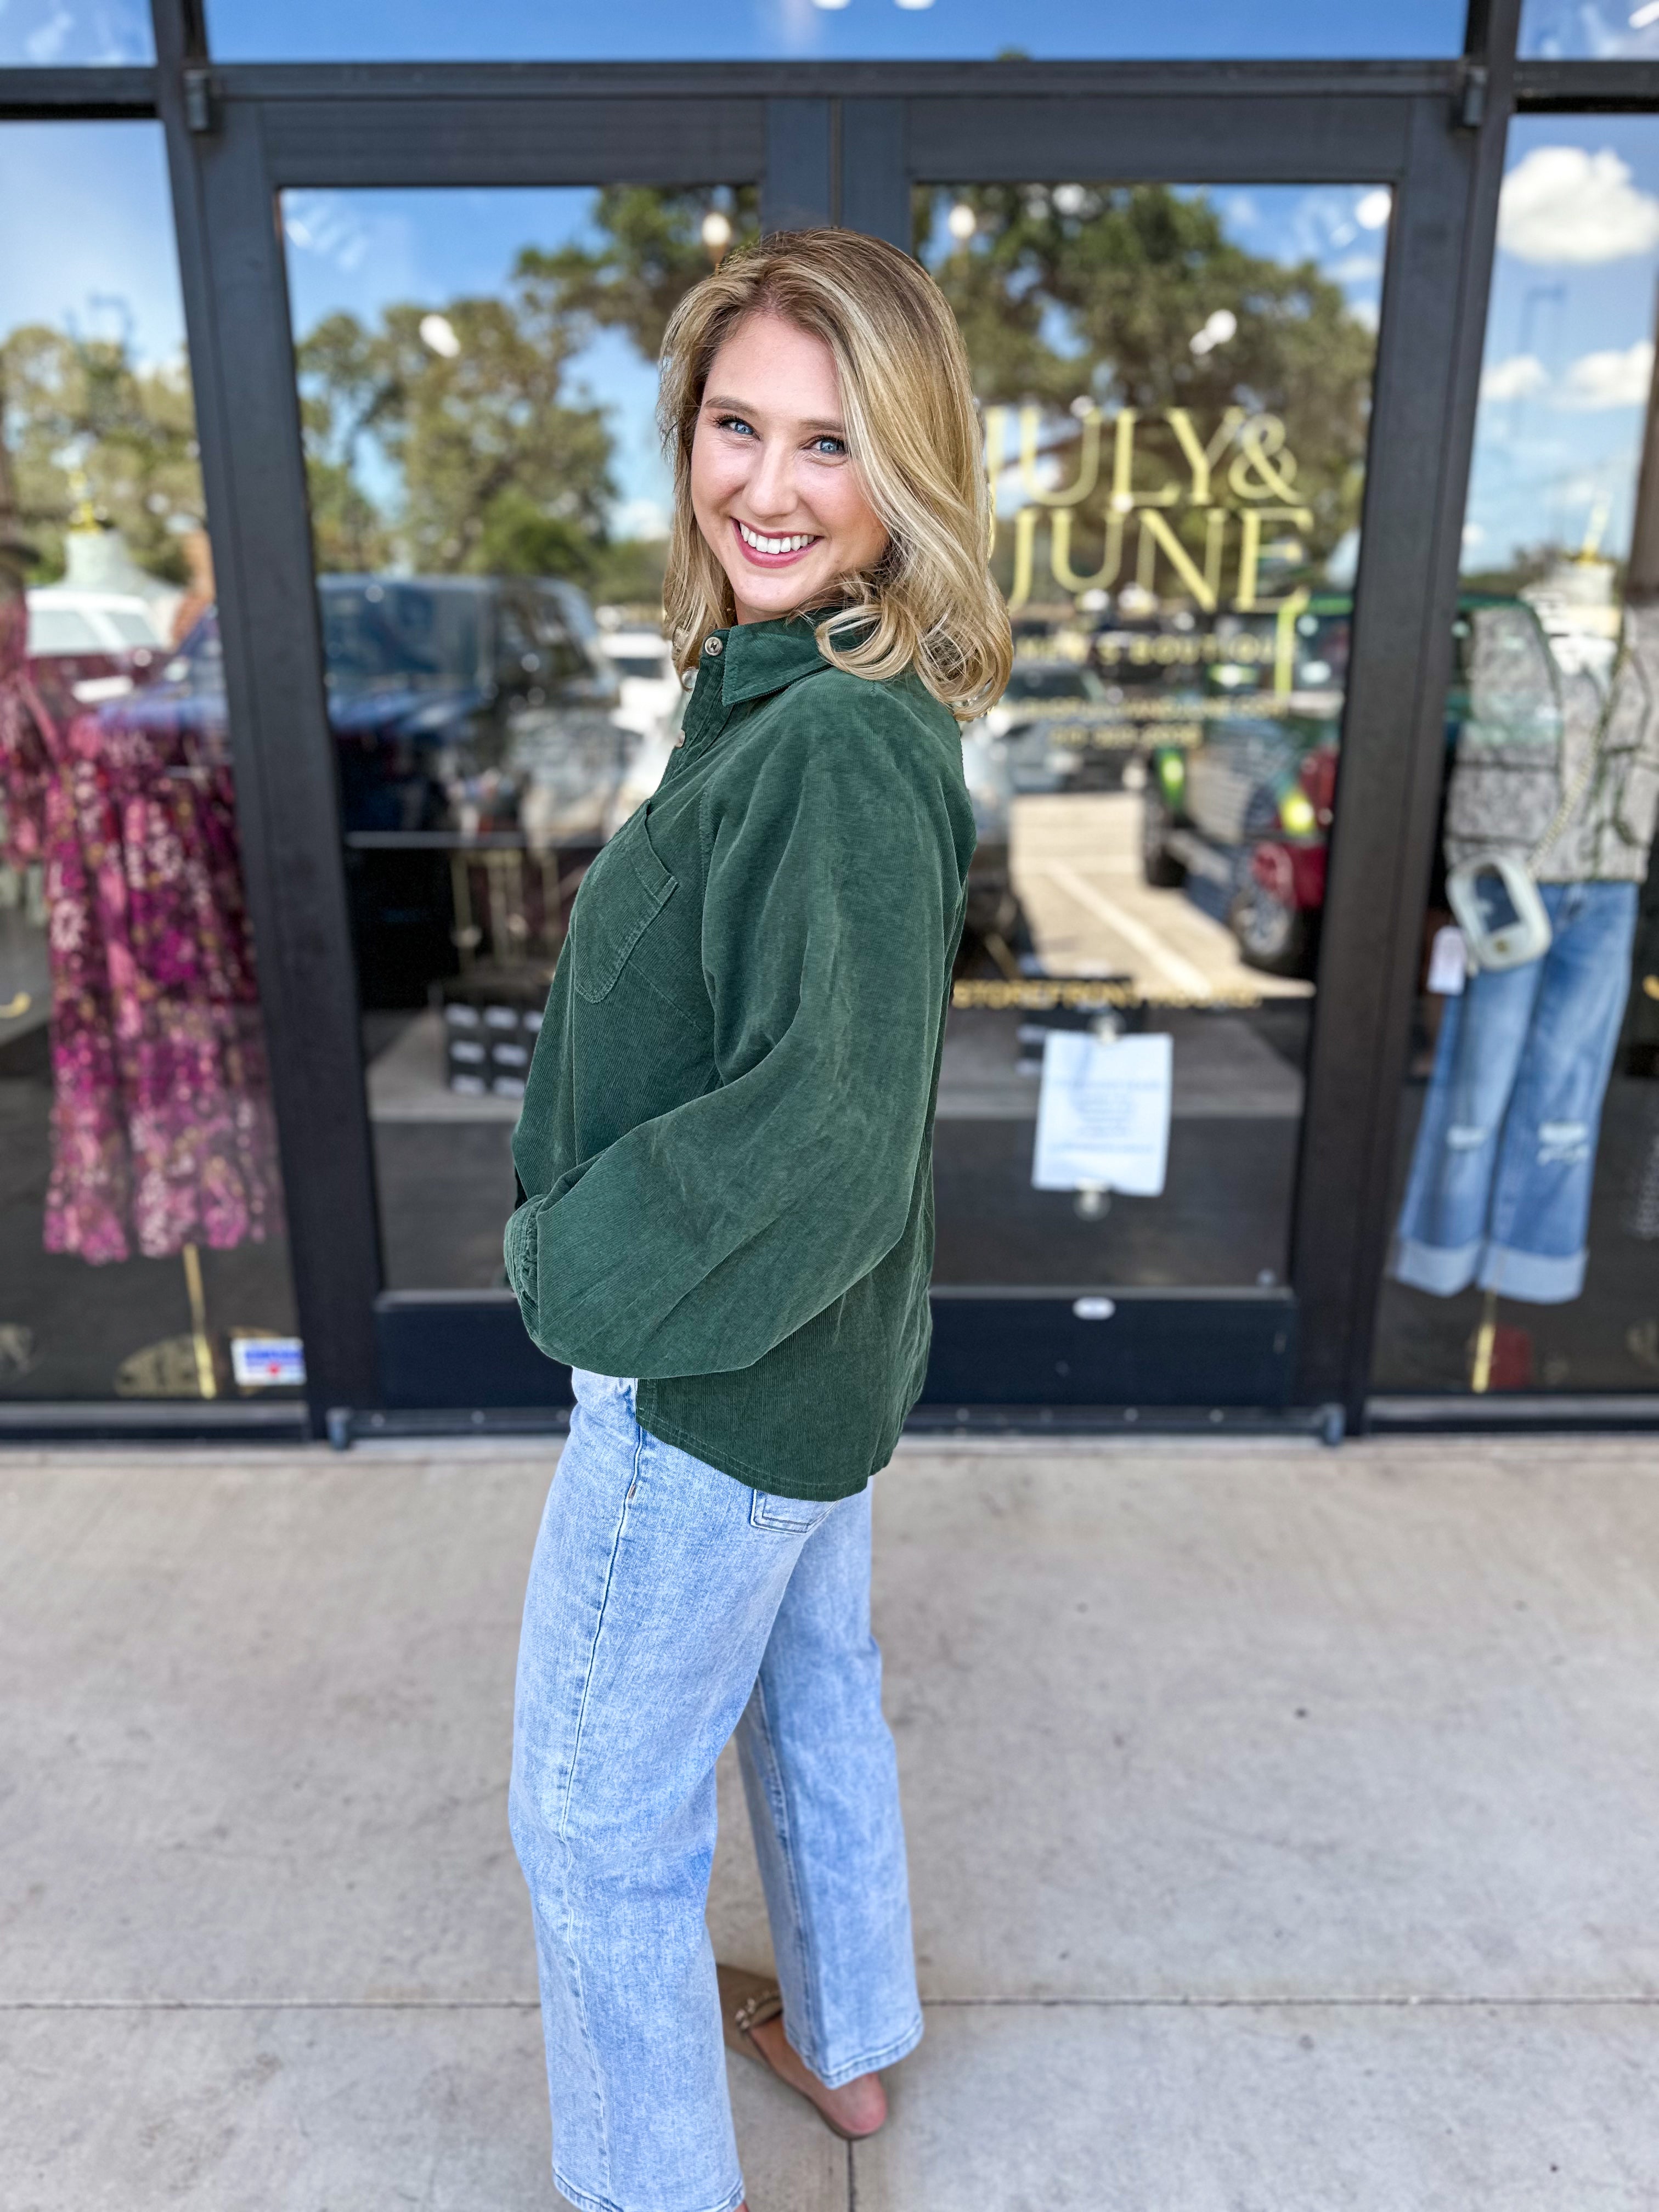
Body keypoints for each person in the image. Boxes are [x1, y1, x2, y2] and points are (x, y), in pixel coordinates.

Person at [504, 225, 1011, 2212]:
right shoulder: (802, 699)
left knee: (592, 1831)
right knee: (814, 1701)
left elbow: (816, 1130)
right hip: (809, 1380)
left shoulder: (831, 748)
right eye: (739, 428)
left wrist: (572, 1268)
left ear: (908, 476)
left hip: (712, 1381)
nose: (770, 489)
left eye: (833, 445)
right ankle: (851, 2043)